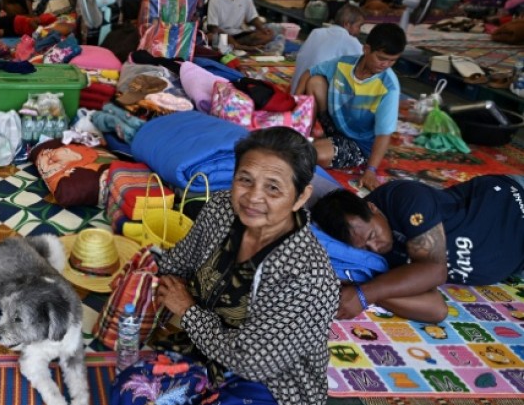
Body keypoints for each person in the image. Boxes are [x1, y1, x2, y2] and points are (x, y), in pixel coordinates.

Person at [152, 126, 339, 404]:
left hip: (270, 384)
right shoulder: (221, 210)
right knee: (132, 390)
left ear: (300, 197)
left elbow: (253, 362)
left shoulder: (310, 278)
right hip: (201, 349)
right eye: (245, 180)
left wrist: (188, 310)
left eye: (273, 188)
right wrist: (148, 279)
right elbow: (178, 262)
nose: (253, 197)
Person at [311, 175, 524, 323]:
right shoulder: (375, 258)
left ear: (372, 208)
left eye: (373, 236)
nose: (376, 247)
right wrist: (364, 288)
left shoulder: (405, 197)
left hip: (513, 203)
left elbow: (435, 270)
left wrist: (364, 293)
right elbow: (436, 309)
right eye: (365, 247)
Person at [293, 23, 406, 190]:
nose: (385, 65)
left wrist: (371, 170)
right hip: (335, 127)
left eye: (392, 61)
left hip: (359, 144)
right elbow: (309, 72)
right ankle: (304, 134)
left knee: (311, 154)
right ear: (366, 49)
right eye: (381, 58)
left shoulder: (389, 87)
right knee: (316, 81)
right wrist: (294, 107)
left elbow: (384, 134)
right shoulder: (343, 64)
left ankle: (320, 144)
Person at [289, 4, 365, 93]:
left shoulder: (316, 32)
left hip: (295, 88)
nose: (359, 31)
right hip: (310, 94)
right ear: (347, 24)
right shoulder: (349, 40)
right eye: (358, 26)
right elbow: (365, 60)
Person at [206, 0, 274, 49]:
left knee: (267, 36)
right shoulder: (215, 0)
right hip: (222, 34)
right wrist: (229, 39)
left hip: (238, 34)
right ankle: (238, 46)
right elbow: (213, 28)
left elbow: (253, 17)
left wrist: (263, 29)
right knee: (214, 38)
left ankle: (236, 45)